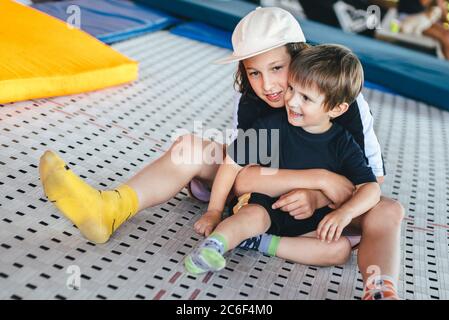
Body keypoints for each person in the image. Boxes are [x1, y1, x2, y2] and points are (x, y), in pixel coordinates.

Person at [39, 7, 404, 300]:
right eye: (255, 73)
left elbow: (370, 182)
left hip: (334, 211)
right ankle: (110, 208)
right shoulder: (251, 98)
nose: (269, 86)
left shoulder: (344, 99)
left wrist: (318, 193)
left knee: (388, 209)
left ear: (300, 55)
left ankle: (380, 286)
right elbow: (243, 176)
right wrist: (316, 179)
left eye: (277, 68)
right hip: (263, 193)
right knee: (189, 148)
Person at [185, 44, 382, 282]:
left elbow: (371, 188)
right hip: (267, 204)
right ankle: (213, 246)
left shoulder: (343, 143)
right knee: (251, 217)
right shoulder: (272, 125)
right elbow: (231, 164)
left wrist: (344, 213)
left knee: (339, 251)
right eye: (291, 88)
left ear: (337, 108)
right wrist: (214, 211)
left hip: (309, 216)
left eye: (305, 97)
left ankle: (260, 242)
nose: (292, 101)